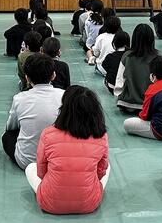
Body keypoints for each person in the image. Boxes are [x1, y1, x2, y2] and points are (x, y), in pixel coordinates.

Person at [26, 85, 109, 214]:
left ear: (64, 108)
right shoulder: (101, 136)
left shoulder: (48, 134)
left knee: (30, 167)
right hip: (89, 204)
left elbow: (41, 172)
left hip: (49, 203)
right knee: (107, 166)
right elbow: (101, 172)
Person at [2, 54, 64, 170]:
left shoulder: (19, 98)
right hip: (58, 160)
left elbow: (10, 127)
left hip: (28, 162)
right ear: (53, 75)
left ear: (27, 78)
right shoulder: (65, 95)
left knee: (7, 136)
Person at [114, 24, 159, 113]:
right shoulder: (158, 57)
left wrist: (118, 97)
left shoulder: (127, 56)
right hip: (150, 105)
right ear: (151, 39)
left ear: (134, 38)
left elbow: (119, 80)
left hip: (127, 104)